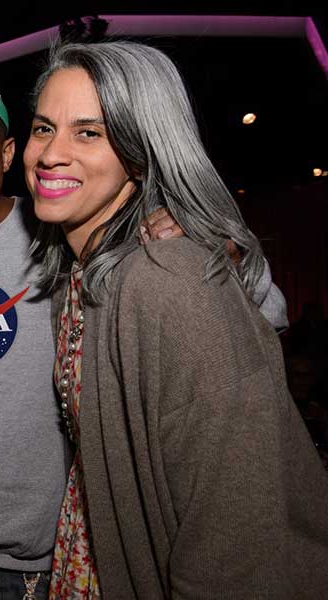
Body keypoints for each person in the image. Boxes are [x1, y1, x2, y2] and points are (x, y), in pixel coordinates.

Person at [0, 70, 289, 600]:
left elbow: (265, 310)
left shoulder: (58, 229)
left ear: (8, 154)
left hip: (45, 558)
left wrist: (214, 250)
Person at [23, 40, 328, 599]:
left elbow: (242, 538)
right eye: (44, 128)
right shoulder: (79, 276)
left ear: (140, 155)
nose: (51, 154)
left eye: (89, 133)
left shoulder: (168, 277)